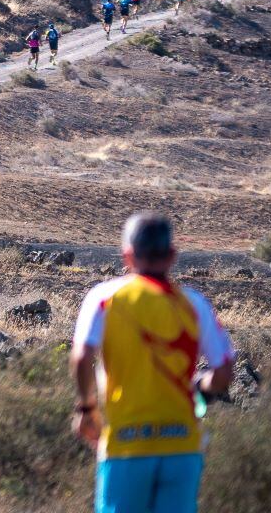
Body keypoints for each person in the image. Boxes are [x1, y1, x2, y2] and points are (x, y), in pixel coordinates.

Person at [70, 212, 234, 513]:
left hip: (126, 444)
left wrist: (86, 408)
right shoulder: (195, 304)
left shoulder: (105, 297)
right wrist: (201, 388)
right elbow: (223, 372)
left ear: (127, 255)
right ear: (172, 255)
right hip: (182, 445)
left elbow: (82, 356)